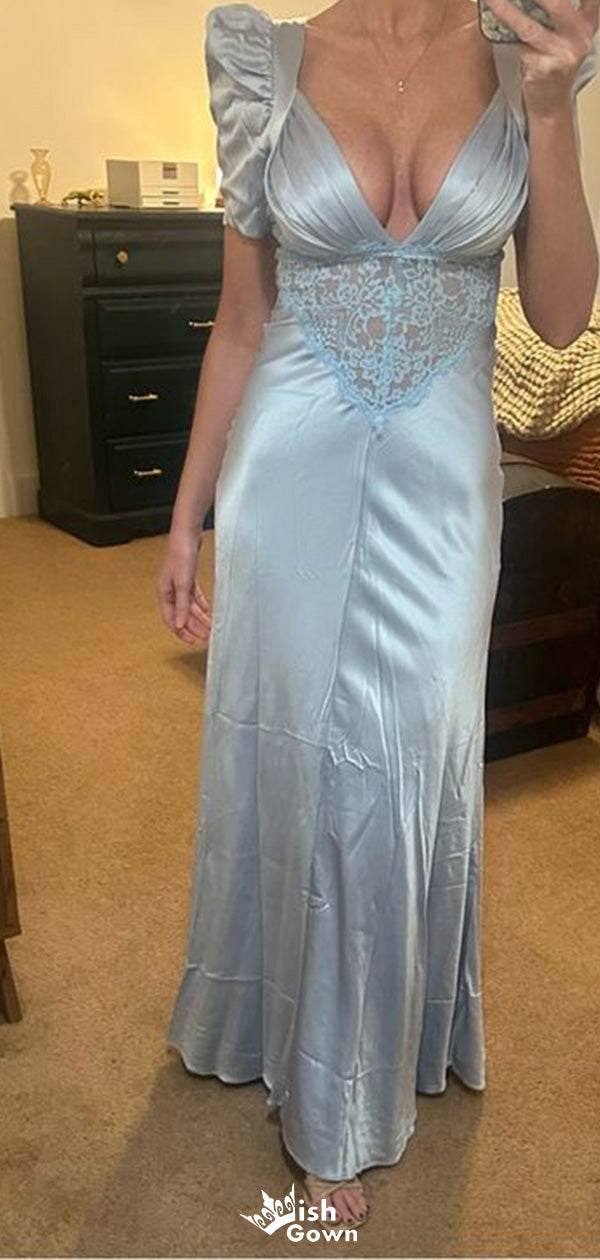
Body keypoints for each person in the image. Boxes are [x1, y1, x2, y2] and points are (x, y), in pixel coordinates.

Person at [157, 0, 599, 1229]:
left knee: (400, 758)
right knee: (301, 761)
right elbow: (241, 320)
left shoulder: (532, 59)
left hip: (443, 489)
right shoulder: (263, 58)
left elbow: (563, 316)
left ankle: (372, 1044)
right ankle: (319, 1085)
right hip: (285, 473)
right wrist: (186, 518)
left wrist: (550, 114)